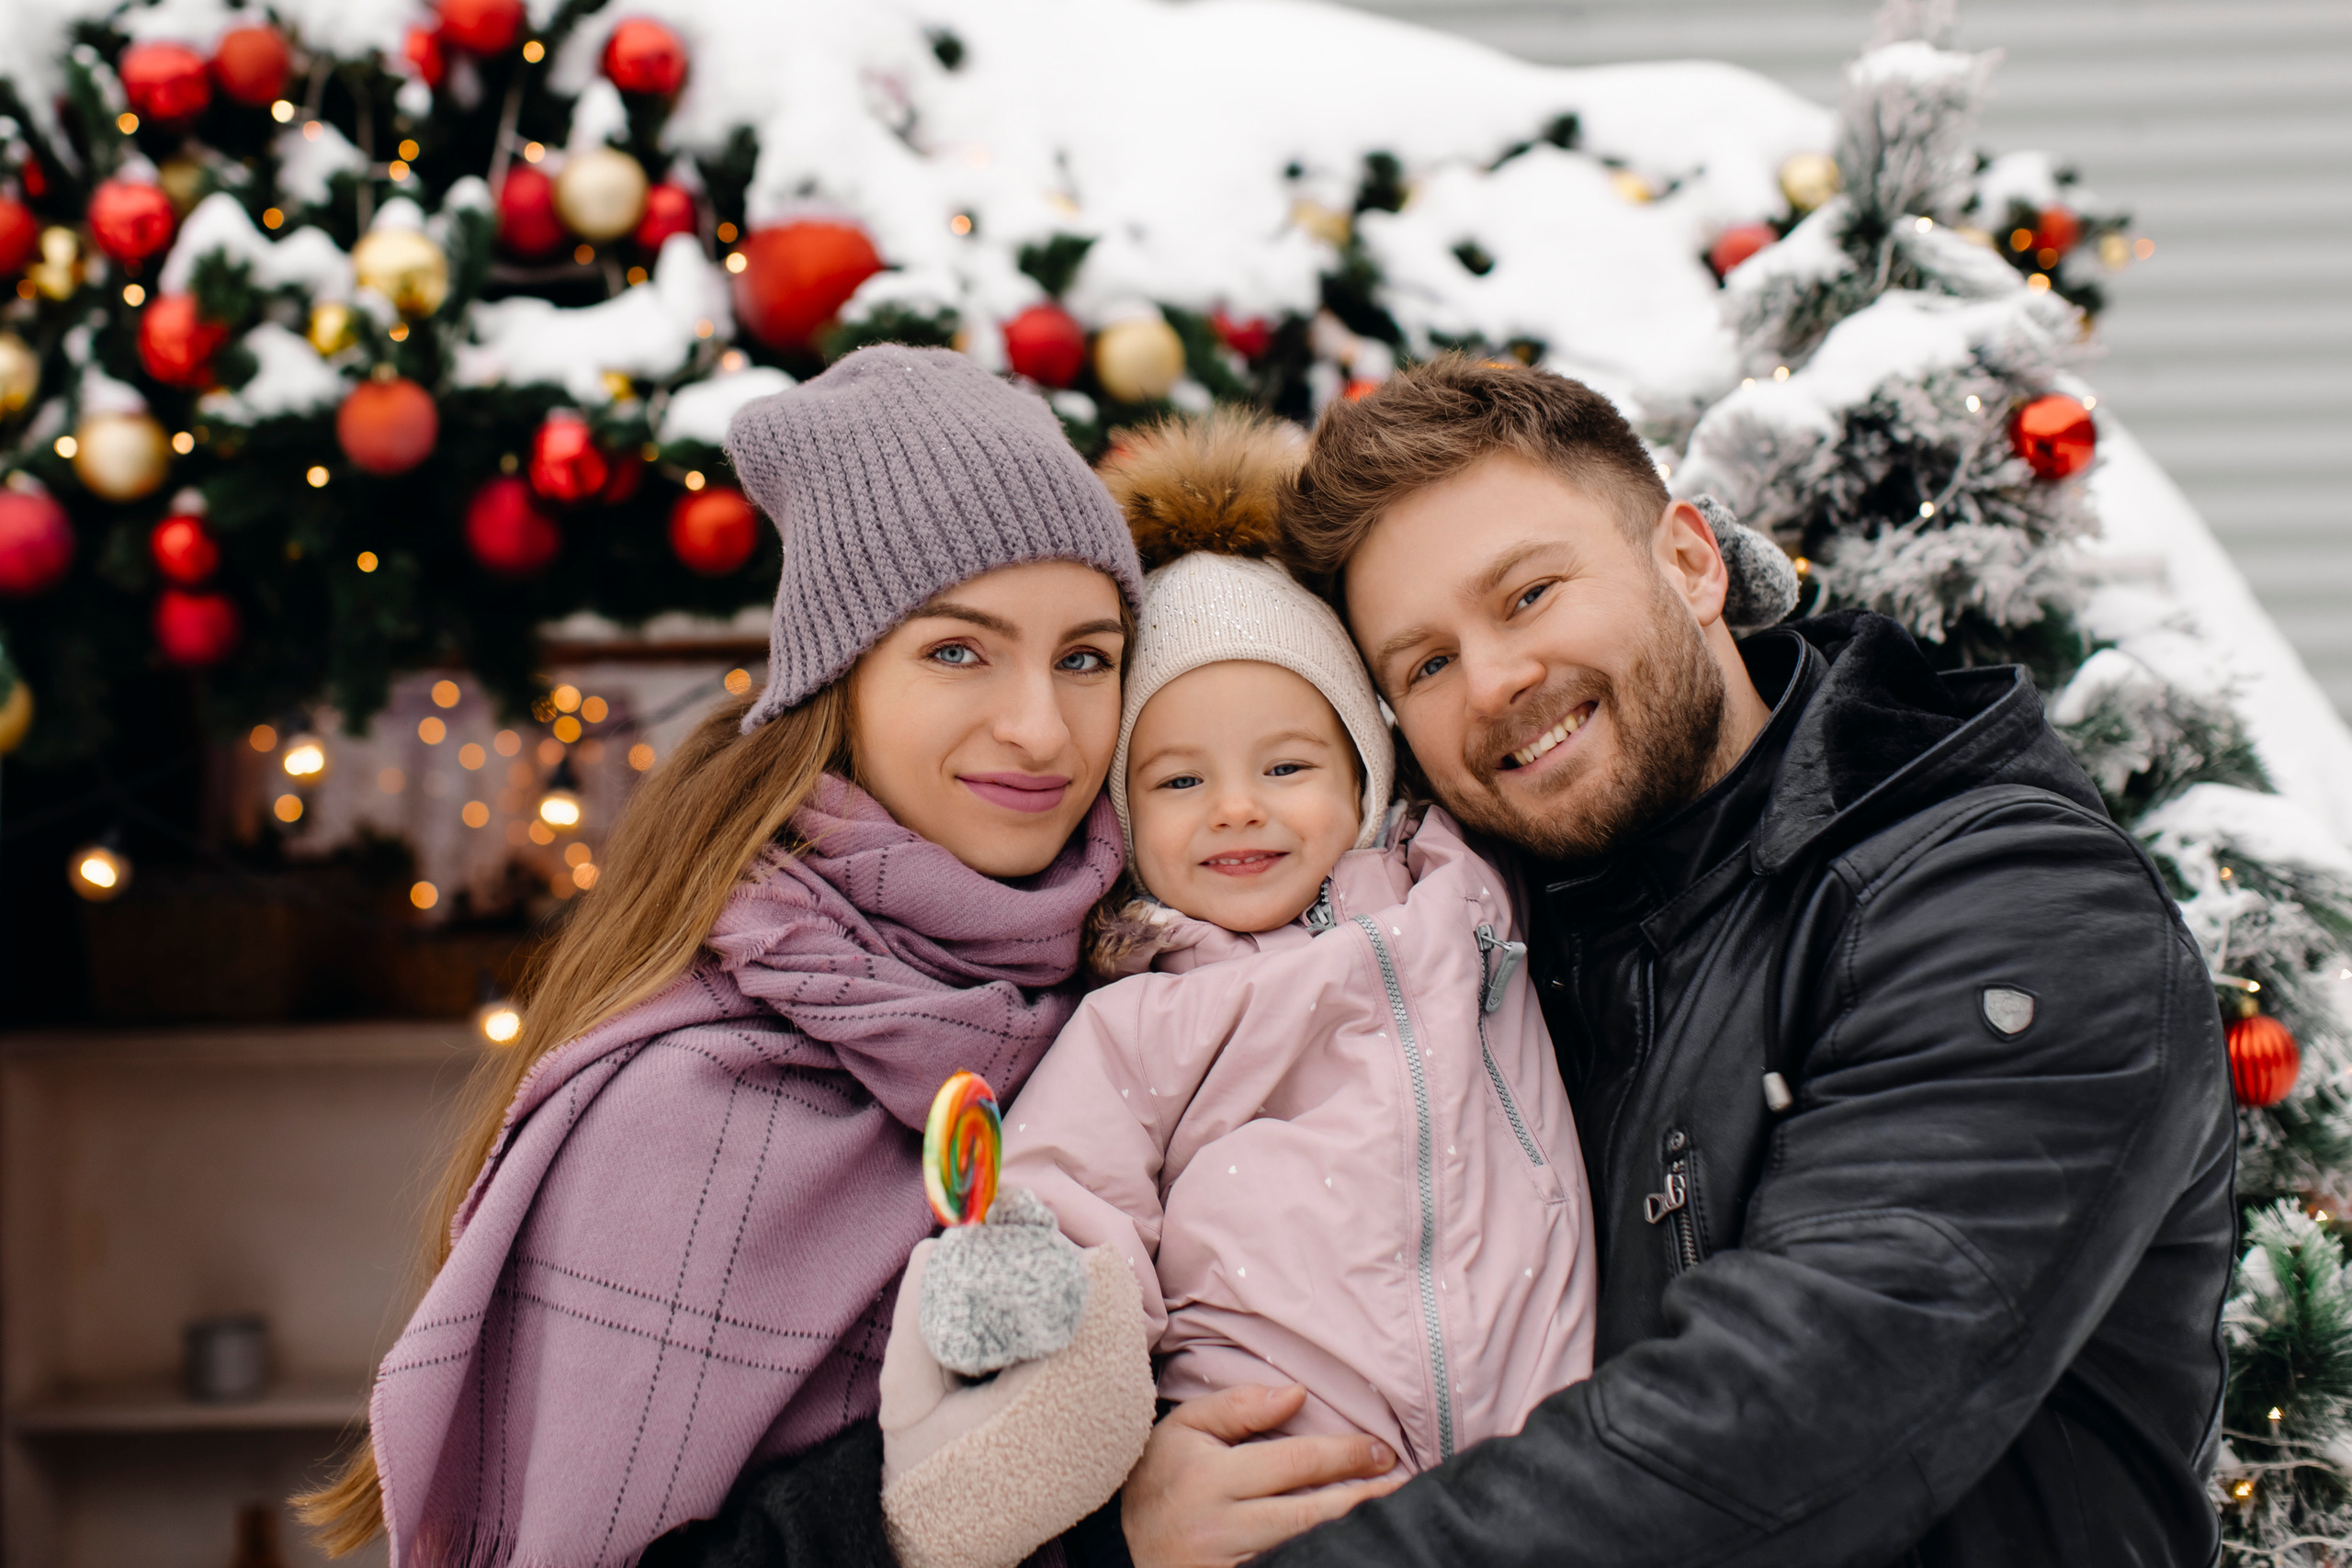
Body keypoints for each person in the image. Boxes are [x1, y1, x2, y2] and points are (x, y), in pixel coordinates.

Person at [1116, 355, 2237, 1568]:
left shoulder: (2000, 901)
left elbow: (1787, 1419)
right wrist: (1151, 1493)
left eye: (1530, 593)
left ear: (1693, 561)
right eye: (1425, 664)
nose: (1494, 680)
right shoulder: (1487, 951)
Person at [296, 344, 1152, 1568]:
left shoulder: (1130, 998)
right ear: (840, 680)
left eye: (1085, 655)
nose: (1039, 725)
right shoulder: (683, 1107)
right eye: (957, 649)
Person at [989, 410, 1597, 1484]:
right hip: (1291, 1471)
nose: (1235, 809)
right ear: (1122, 816)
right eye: (1178, 780)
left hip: (1546, 1452)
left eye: (1285, 767)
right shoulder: (1140, 1015)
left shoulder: (1466, 895)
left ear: (1365, 774)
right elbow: (1067, 1197)